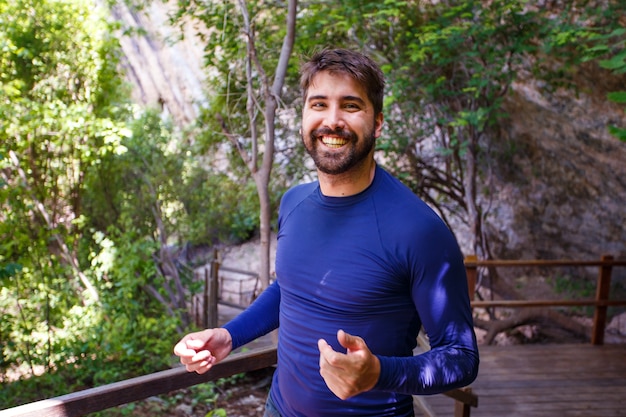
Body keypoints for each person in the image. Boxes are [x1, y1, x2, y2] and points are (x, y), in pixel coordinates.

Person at [174, 48, 479, 417]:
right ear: (303, 116)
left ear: (377, 122)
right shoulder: (294, 203)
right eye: (319, 104)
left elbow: (460, 358)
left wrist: (380, 372)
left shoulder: (419, 230)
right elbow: (289, 288)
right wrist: (229, 336)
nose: (332, 121)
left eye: (351, 106)